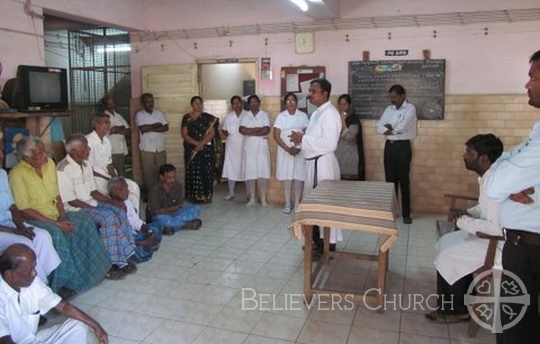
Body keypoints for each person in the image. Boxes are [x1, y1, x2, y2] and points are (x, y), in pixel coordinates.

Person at [484, 49, 540, 343]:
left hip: (530, 249)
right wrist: (508, 173)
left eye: (532, 77)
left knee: (516, 330)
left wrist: (506, 177)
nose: (526, 84)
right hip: (524, 243)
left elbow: (495, 185)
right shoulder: (538, 128)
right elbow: (504, 161)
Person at [9, 136, 110, 294]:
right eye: (40, 153)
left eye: (44, 150)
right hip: (35, 218)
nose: (46, 154)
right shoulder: (17, 174)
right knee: (56, 234)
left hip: (56, 213)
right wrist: (56, 223)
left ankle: (96, 270)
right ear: (27, 158)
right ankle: (64, 284)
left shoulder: (49, 164)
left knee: (84, 221)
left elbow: (57, 196)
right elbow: (24, 209)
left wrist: (62, 216)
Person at [426, 134, 504, 324]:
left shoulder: (496, 182)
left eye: (469, 152)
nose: (464, 156)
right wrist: (467, 212)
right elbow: (484, 209)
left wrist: (462, 221)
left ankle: (456, 311)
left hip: (495, 245)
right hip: (486, 237)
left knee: (448, 254)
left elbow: (494, 227)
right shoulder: (488, 177)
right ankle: (463, 295)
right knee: (446, 242)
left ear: (483, 158)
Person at [57, 133, 138, 279]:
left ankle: (127, 254)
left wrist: (112, 202)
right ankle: (111, 264)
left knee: (118, 210)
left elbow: (93, 191)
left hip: (90, 203)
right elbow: (71, 201)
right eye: (85, 147)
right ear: (73, 152)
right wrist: (96, 209)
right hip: (75, 209)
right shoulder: (63, 169)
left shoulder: (86, 164)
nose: (89, 149)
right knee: (107, 217)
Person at [0, 243, 108, 344]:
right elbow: (3, 340)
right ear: (10, 274)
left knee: (79, 325)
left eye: (34, 267)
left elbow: (62, 306)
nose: (35, 273)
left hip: (31, 340)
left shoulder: (31, 283)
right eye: (30, 271)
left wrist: (96, 326)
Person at [0, 133, 61, 284]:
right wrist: (17, 231)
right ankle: (39, 290)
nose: (2, 155)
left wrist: (21, 227)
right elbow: (22, 208)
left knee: (41, 236)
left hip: (10, 224)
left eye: (2, 151)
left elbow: (13, 207)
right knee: (25, 244)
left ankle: (46, 283)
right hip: (3, 230)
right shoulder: (16, 173)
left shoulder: (1, 174)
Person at [290, 78, 341, 255]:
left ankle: (326, 245)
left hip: (323, 165)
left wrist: (302, 139)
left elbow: (330, 144)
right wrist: (300, 138)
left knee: (324, 206)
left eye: (313, 91)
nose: (309, 94)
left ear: (325, 94)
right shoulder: (317, 113)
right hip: (313, 164)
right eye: (310, 90)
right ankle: (317, 242)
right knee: (315, 207)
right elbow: (314, 138)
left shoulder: (330, 114)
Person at [376, 84, 417, 224]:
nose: (392, 100)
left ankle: (406, 214)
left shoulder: (410, 108)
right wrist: (388, 129)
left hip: (403, 147)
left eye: (394, 97)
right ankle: (393, 211)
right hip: (390, 147)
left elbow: (402, 127)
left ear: (402, 96)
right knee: (390, 181)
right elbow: (378, 126)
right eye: (390, 97)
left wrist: (389, 129)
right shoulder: (389, 109)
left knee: (403, 181)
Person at [86, 113, 141, 213]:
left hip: (109, 178)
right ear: (96, 125)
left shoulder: (107, 140)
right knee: (119, 192)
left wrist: (115, 177)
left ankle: (134, 216)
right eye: (105, 123)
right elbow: (88, 169)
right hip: (96, 179)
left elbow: (109, 164)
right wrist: (108, 178)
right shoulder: (88, 141)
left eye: (109, 123)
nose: (109, 125)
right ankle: (125, 215)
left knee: (132, 186)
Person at [108, 177, 162, 263]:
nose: (128, 191)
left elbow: (135, 221)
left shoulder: (126, 202)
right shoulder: (109, 210)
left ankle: (150, 243)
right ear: (114, 191)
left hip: (136, 233)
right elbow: (119, 236)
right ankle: (148, 245)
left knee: (158, 225)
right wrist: (141, 242)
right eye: (124, 189)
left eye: (127, 188)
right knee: (140, 253)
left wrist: (149, 232)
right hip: (130, 240)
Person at [273, 93, 309, 214]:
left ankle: (298, 203)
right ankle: (288, 203)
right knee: (287, 176)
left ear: (296, 102)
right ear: (284, 104)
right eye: (288, 101)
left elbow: (307, 133)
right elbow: (276, 136)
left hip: (300, 149)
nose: (290, 103)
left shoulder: (303, 116)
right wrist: (288, 149)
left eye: (293, 100)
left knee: (299, 176)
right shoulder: (281, 116)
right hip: (285, 150)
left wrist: (298, 147)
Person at [181, 96, 218, 204]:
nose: (198, 105)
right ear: (192, 105)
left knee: (205, 171)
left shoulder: (208, 118)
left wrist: (202, 143)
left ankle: (206, 195)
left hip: (205, 148)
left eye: (200, 103)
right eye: (196, 103)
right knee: (192, 171)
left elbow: (212, 133)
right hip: (191, 149)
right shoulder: (186, 118)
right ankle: (192, 196)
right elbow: (184, 134)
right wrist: (195, 143)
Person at [147, 164, 202, 234]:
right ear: (161, 177)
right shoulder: (154, 189)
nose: (172, 180)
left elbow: (179, 205)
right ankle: (185, 224)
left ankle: (171, 226)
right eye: (169, 178)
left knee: (196, 208)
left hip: (175, 213)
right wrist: (170, 210)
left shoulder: (178, 186)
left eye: (174, 177)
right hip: (161, 216)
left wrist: (171, 211)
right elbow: (155, 211)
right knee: (160, 219)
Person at [240, 95, 271, 206]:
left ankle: (263, 199)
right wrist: (258, 129)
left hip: (261, 146)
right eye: (251, 102)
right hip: (249, 146)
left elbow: (266, 130)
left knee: (262, 172)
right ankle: (252, 199)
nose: (253, 104)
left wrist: (250, 132)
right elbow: (242, 130)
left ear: (259, 103)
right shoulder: (245, 115)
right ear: (248, 104)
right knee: (251, 173)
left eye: (255, 102)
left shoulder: (264, 115)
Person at [136, 93, 169, 195]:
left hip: (160, 147)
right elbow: (142, 129)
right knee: (148, 173)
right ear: (143, 103)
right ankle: (151, 195)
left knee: (162, 171)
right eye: (147, 102)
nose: (150, 104)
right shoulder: (139, 115)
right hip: (147, 148)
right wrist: (157, 125)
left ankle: (161, 193)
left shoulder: (159, 113)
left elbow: (165, 127)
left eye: (152, 101)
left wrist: (149, 128)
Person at [221, 95, 247, 201]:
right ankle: (231, 192)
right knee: (231, 169)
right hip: (232, 146)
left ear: (242, 103)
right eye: (234, 103)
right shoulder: (229, 117)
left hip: (245, 145)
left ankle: (249, 194)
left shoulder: (247, 115)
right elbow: (224, 130)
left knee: (246, 168)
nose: (237, 105)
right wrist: (231, 136)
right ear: (232, 105)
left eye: (238, 102)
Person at [335, 94, 365, 180]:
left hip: (349, 157)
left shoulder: (353, 119)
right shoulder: (335, 118)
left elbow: (349, 137)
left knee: (350, 185)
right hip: (338, 156)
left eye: (344, 104)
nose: (342, 107)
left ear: (349, 105)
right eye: (340, 104)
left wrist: (343, 121)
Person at [101, 95, 130, 177]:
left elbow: (128, 130)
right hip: (111, 149)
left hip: (121, 148)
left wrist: (117, 129)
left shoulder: (118, 115)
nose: (112, 106)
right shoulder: (104, 116)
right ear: (105, 106)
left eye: (113, 103)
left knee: (121, 172)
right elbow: (111, 130)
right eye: (109, 104)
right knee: (113, 172)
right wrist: (121, 127)